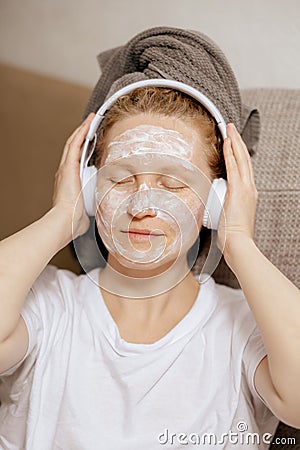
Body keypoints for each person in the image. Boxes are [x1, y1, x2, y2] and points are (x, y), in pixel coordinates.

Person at [0, 26, 299, 450]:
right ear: (88, 188)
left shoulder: (243, 328)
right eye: (119, 179)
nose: (142, 204)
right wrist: (59, 219)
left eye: (174, 185)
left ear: (217, 200)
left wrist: (240, 244)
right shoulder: (49, 305)